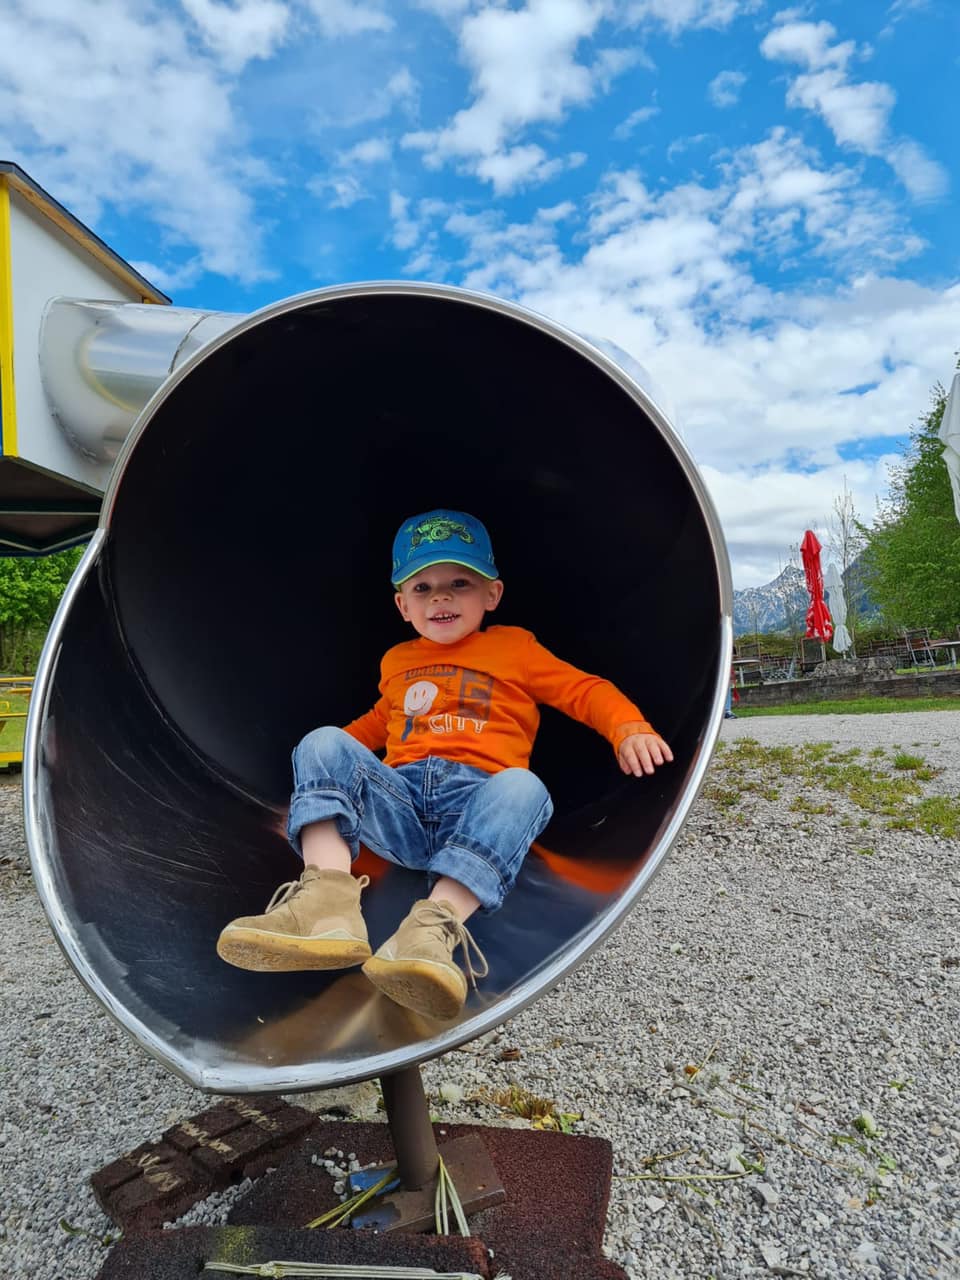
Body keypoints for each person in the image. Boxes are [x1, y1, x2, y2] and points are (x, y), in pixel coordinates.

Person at [217, 509, 673, 1020]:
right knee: (320, 741)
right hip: (401, 805)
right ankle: (327, 902)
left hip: (476, 809)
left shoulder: (513, 647)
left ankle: (429, 932)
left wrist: (627, 727)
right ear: (402, 605)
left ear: (491, 595)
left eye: (460, 582)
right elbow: (373, 726)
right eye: (422, 587)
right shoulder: (396, 661)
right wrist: (315, 789)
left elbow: (583, 689)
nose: (440, 597)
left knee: (524, 787)